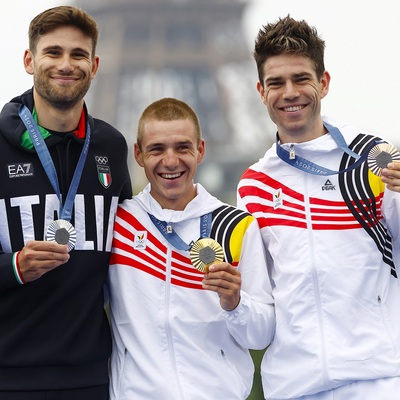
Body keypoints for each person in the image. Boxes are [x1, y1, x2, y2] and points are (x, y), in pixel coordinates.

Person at [237, 14, 400, 400]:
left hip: (378, 379)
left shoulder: (374, 157)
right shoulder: (253, 184)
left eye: (301, 79)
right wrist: (232, 302)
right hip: (293, 386)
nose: (289, 92)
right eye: (276, 83)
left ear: (323, 83)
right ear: (261, 91)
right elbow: (261, 300)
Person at [0, 6, 132, 399]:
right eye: (53, 52)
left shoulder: (110, 145)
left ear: (94, 65)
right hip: (9, 375)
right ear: (29, 60)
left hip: (91, 376)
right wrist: (15, 266)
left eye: (77, 55)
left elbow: (130, 246)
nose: (65, 64)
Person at [107, 97, 275, 399]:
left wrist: (236, 303)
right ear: (138, 154)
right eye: (157, 149)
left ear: (200, 150)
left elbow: (261, 336)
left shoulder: (237, 226)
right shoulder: (118, 223)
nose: (171, 161)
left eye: (182, 147)